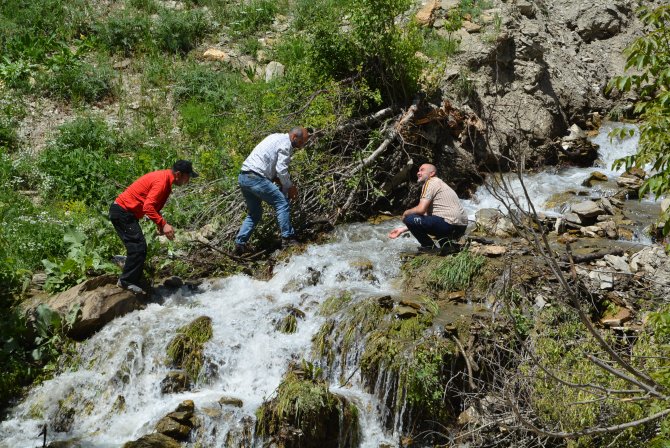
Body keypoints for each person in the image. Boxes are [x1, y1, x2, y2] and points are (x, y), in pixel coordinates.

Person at [109, 160, 198, 294]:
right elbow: (148, 207)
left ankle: (130, 273)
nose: (188, 181)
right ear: (179, 174)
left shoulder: (167, 181)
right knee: (138, 247)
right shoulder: (162, 182)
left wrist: (159, 223)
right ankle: (125, 281)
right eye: (188, 177)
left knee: (138, 247)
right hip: (122, 212)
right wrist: (163, 224)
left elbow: (153, 206)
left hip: (126, 213)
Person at [234, 127, 309, 254]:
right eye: (301, 142)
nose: (302, 146)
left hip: (244, 177)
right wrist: (290, 187)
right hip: (256, 178)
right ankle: (288, 238)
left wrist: (280, 182)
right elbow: (281, 170)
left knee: (255, 213)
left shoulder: (275, 137)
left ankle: (240, 245)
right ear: (294, 137)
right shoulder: (286, 145)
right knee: (282, 203)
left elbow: (269, 164)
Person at [388, 163, 468, 254]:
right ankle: (448, 247)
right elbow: (425, 217)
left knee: (409, 218)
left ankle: (429, 247)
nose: (418, 172)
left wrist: (406, 213)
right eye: (418, 170)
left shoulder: (430, 182)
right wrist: (402, 229)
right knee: (428, 221)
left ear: (432, 173)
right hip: (460, 227)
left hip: (447, 225)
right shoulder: (440, 184)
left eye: (422, 170)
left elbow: (421, 210)